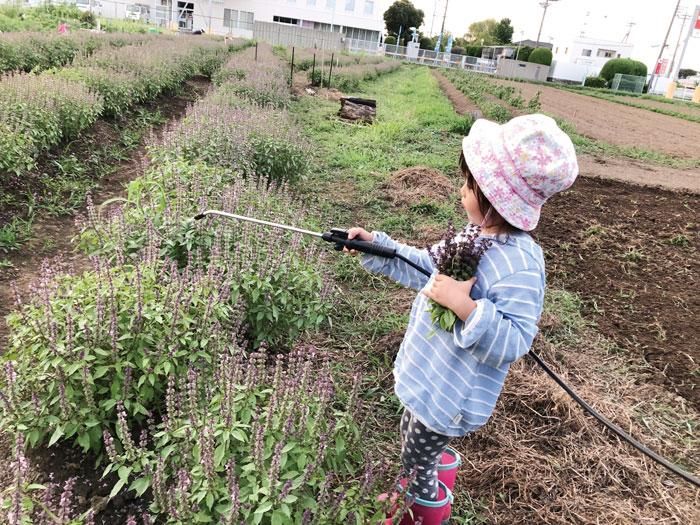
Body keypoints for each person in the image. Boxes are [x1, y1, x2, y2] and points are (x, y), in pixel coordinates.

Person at [344, 114, 579, 524]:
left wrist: (465, 307)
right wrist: (377, 246)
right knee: (412, 439)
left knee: (416, 456)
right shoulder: (474, 235)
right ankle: (425, 478)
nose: (461, 190)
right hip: (430, 375)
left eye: (469, 184)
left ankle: (422, 510)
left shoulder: (519, 265)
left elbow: (515, 340)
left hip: (450, 392)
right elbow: (424, 269)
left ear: (493, 195)